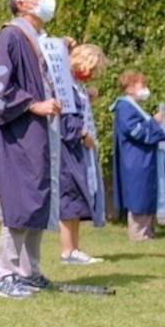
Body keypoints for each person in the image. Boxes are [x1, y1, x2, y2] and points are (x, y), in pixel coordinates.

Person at [0, 0, 64, 299]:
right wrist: (34, 104)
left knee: (36, 202)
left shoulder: (36, 38)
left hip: (36, 136)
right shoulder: (9, 38)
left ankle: (30, 272)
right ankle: (4, 276)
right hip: (16, 138)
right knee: (20, 203)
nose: (48, 0)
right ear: (21, 3)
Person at [111, 71, 165, 241]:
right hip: (135, 160)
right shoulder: (124, 107)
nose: (145, 89)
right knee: (139, 196)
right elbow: (135, 131)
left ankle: (149, 232)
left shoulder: (135, 106)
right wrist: (154, 122)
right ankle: (139, 234)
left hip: (145, 158)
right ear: (131, 88)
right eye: (142, 85)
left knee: (147, 195)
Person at [59, 44, 107, 264]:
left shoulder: (76, 85)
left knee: (77, 199)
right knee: (68, 198)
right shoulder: (65, 85)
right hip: (70, 150)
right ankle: (67, 250)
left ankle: (75, 249)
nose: (91, 73)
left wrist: (88, 95)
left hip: (81, 150)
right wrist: (82, 133)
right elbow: (66, 118)